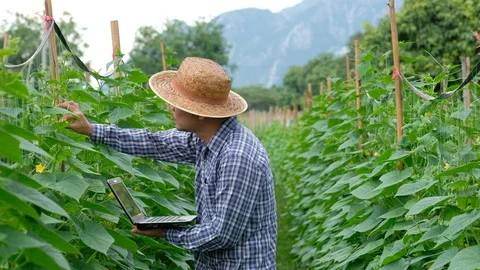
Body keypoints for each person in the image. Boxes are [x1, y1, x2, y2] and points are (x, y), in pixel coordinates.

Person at [59, 57, 277, 269]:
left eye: (178, 103)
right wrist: (92, 130)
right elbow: (155, 143)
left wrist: (166, 232)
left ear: (200, 113)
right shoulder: (205, 139)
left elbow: (221, 235)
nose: (171, 107)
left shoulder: (237, 156)